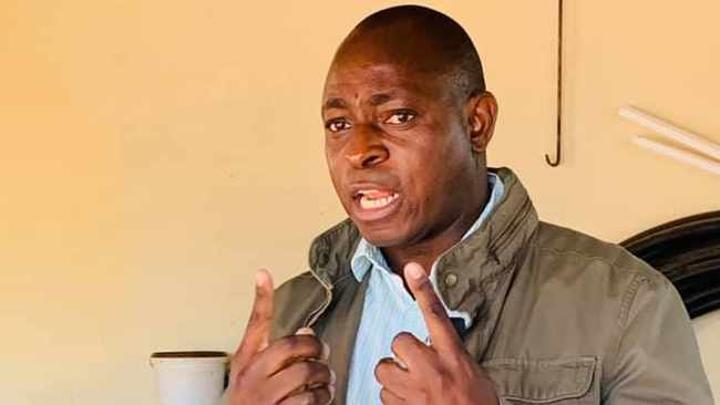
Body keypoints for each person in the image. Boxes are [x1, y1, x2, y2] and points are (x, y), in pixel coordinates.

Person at [225, 5, 713, 405]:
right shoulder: (293, 316)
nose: (359, 150)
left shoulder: (625, 305)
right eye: (338, 125)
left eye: (398, 116)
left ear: (477, 123)